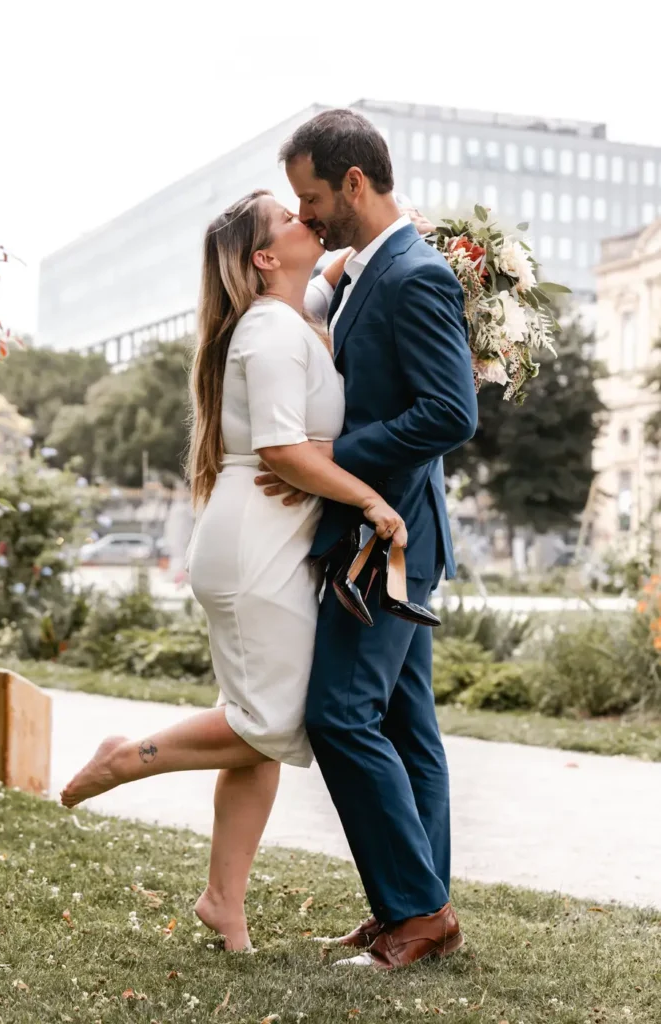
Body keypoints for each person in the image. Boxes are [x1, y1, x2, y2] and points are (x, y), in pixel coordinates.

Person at [59, 188, 407, 953]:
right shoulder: (272, 332)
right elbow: (286, 452)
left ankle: (225, 902)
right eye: (290, 220)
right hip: (258, 547)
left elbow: (341, 262)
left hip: (266, 540)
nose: (305, 221)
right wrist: (372, 500)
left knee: (262, 727)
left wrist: (414, 241)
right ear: (262, 257)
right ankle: (128, 757)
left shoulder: (291, 309)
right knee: (271, 725)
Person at [255, 108, 478, 970]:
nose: (306, 218)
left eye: (312, 200)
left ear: (354, 183)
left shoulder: (415, 275)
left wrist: (328, 457)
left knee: (341, 714)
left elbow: (448, 414)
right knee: (403, 723)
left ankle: (418, 912)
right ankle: (413, 909)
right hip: (386, 530)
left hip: (390, 539)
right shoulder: (367, 272)